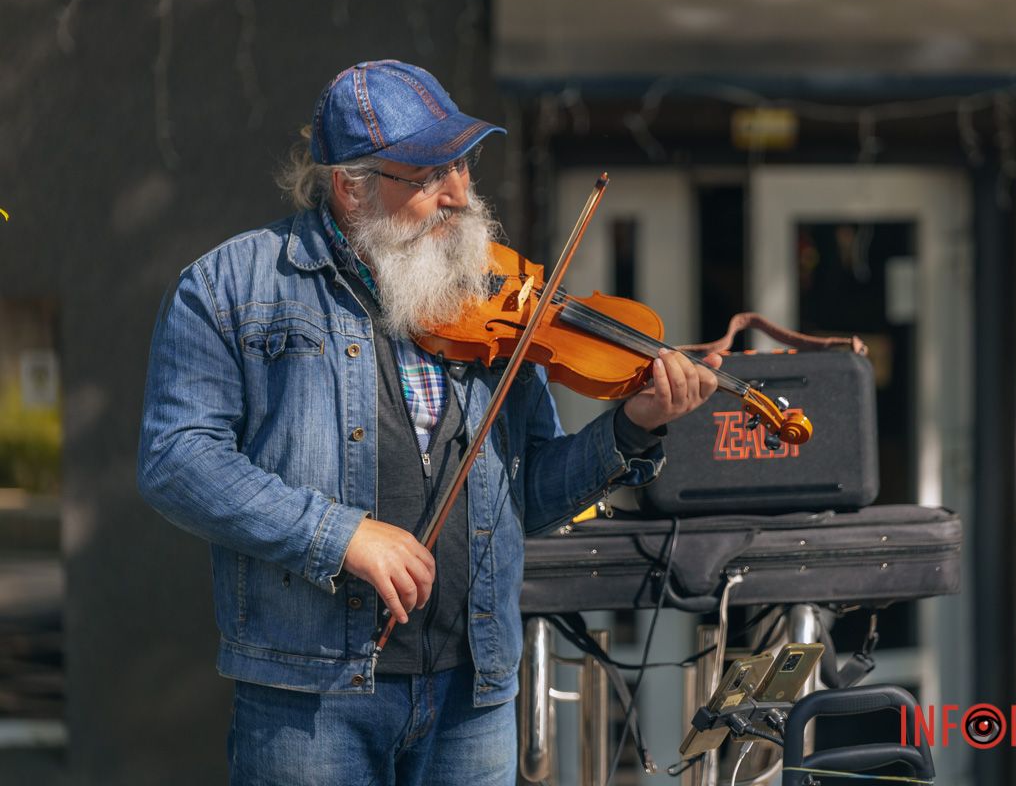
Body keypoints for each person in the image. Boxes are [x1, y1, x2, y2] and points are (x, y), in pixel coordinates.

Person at [137, 59, 721, 785]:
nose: (459, 194)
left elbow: (528, 495)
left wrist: (632, 427)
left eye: (462, 165)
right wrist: (339, 533)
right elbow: (176, 460)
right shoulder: (229, 287)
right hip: (311, 700)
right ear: (351, 186)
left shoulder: (491, 296)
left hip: (470, 694)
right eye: (427, 174)